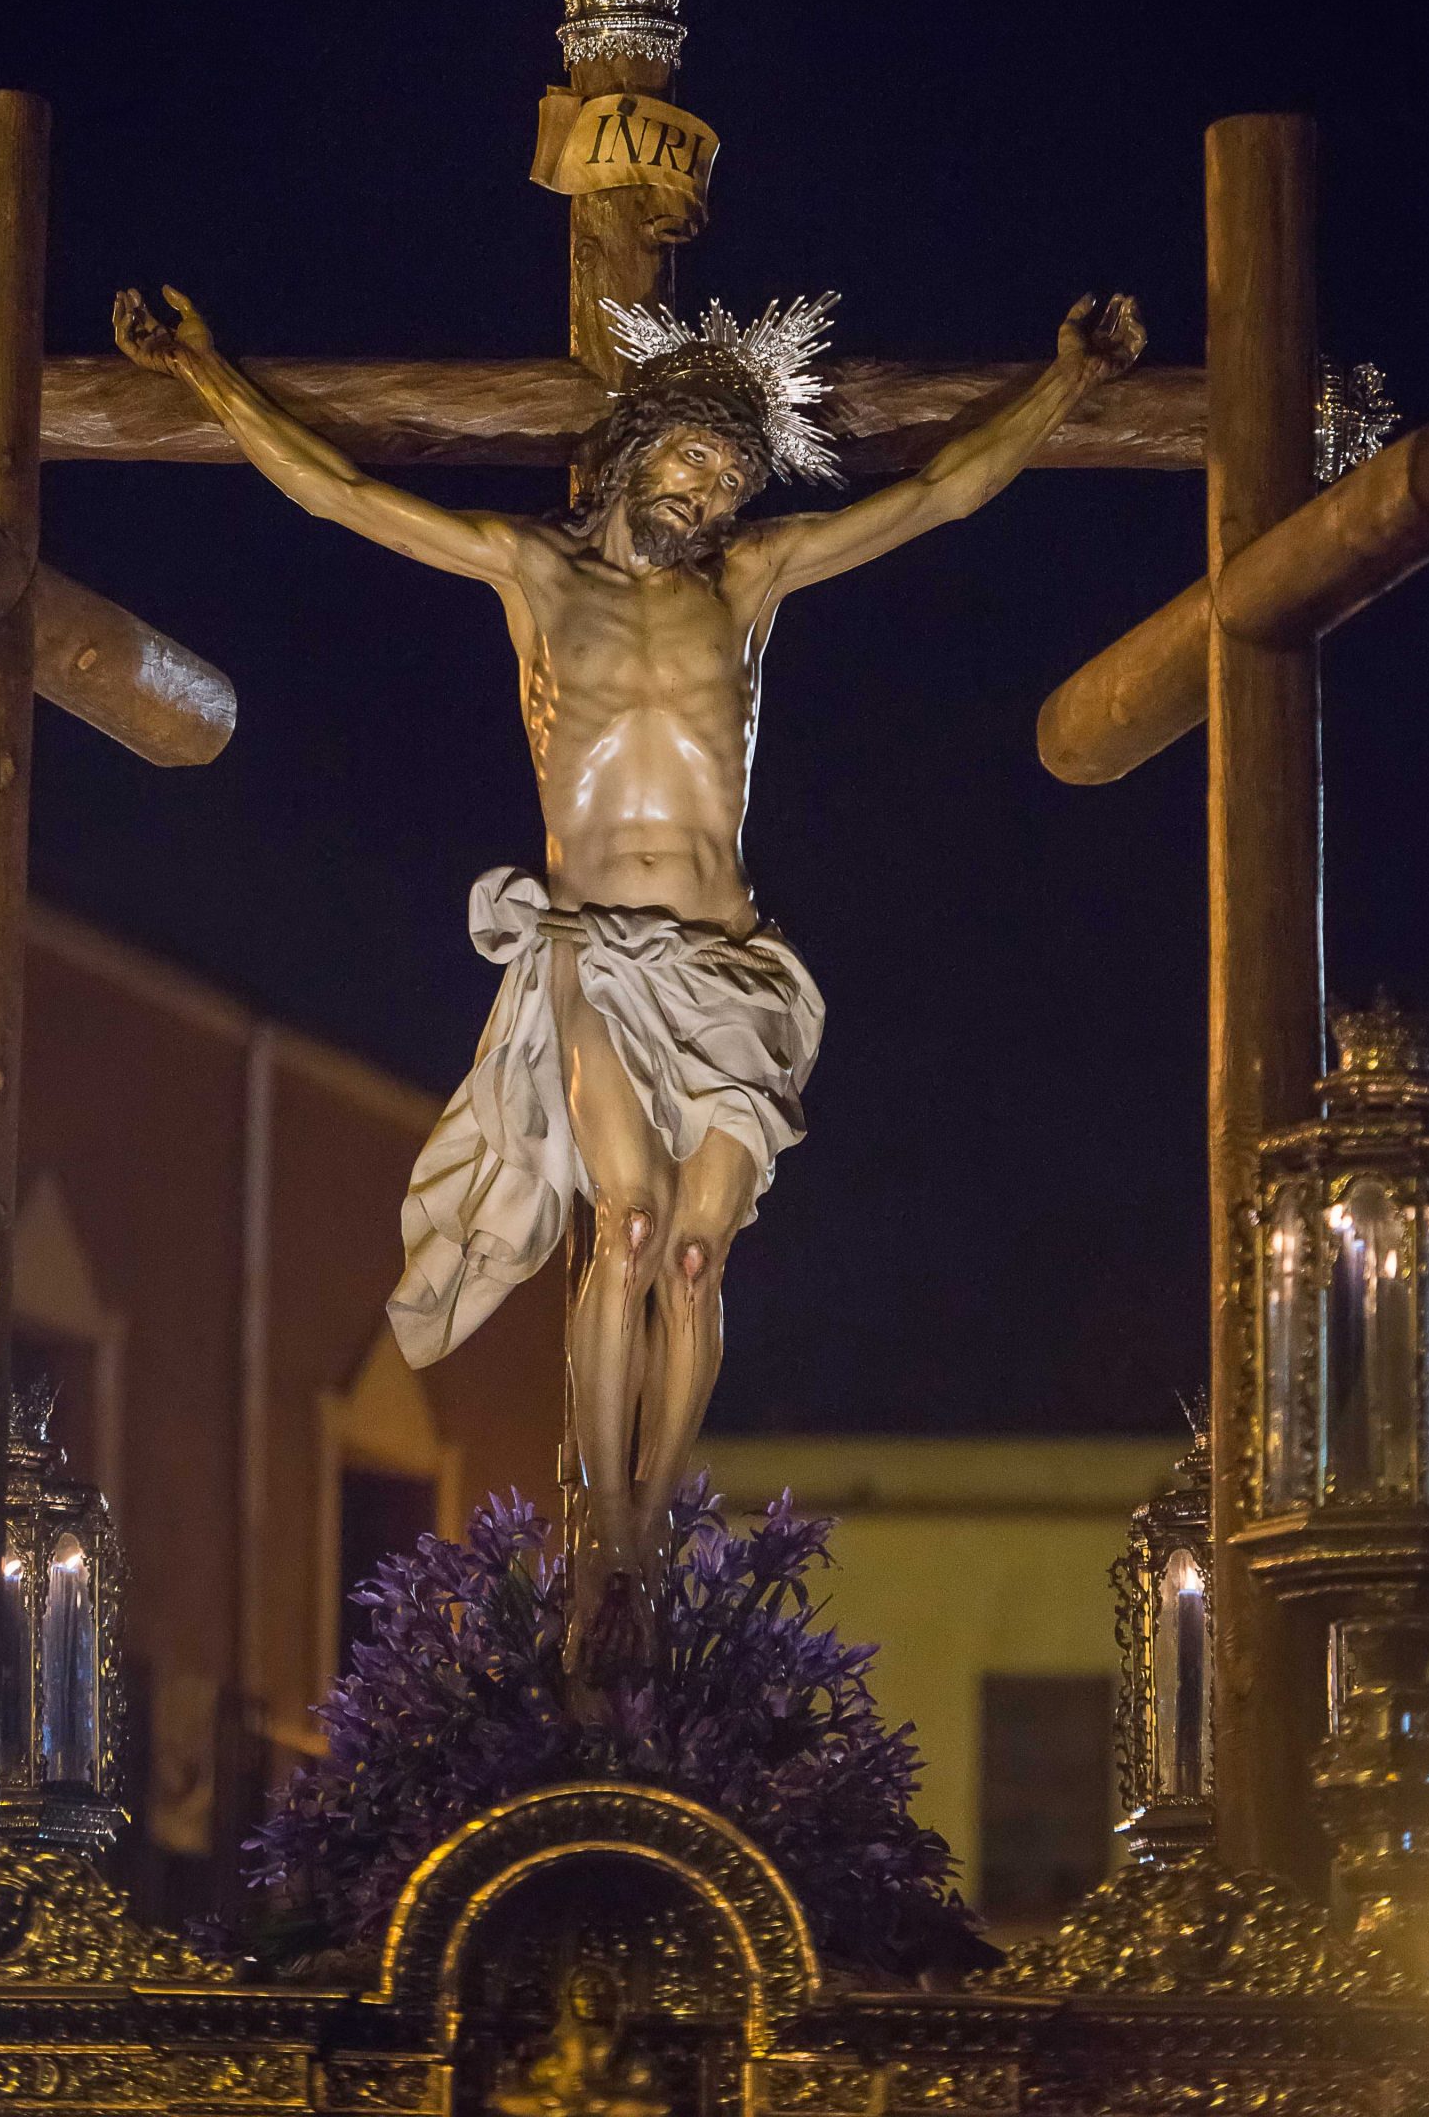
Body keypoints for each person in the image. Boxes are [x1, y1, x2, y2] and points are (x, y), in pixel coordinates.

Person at [114, 280, 1145, 1653]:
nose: (710, 496)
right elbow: (340, 495)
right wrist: (201, 372)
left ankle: (649, 1543)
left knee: (700, 1260)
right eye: (695, 460)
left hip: (729, 968)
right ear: (637, 446)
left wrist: (1069, 381)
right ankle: (602, 1539)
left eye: (731, 481)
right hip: (596, 953)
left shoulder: (750, 585)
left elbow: (942, 495)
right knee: (636, 1228)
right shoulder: (536, 576)